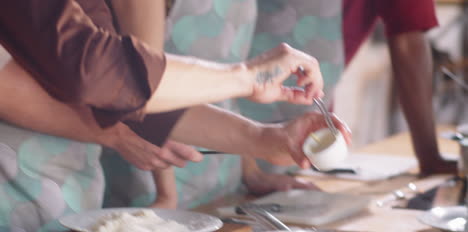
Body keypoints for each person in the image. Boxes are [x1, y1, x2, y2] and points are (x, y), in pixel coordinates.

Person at [0, 1, 349, 232]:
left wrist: (265, 139)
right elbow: (94, 68)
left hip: (69, 201)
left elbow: (129, 88)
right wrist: (247, 77)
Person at [135, 0, 456, 209]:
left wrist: (250, 166)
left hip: (220, 167)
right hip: (144, 171)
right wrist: (166, 197)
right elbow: (141, 86)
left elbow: (232, 56)